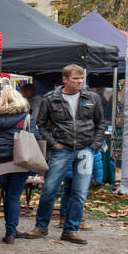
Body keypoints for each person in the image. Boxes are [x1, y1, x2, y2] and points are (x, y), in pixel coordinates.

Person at [22, 64, 105, 244]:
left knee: (80, 192)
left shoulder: (92, 97)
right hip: (62, 149)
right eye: (76, 79)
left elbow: (100, 124)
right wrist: (53, 143)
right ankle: (41, 227)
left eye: (82, 78)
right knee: (49, 189)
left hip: (85, 149)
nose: (80, 82)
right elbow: (41, 124)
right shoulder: (51, 98)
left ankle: (71, 230)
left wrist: (94, 146)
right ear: (65, 79)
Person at [0, 84, 33, 244]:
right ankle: (11, 232)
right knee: (14, 196)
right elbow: (35, 137)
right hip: (19, 160)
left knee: (9, 195)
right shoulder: (25, 117)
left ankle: (11, 230)